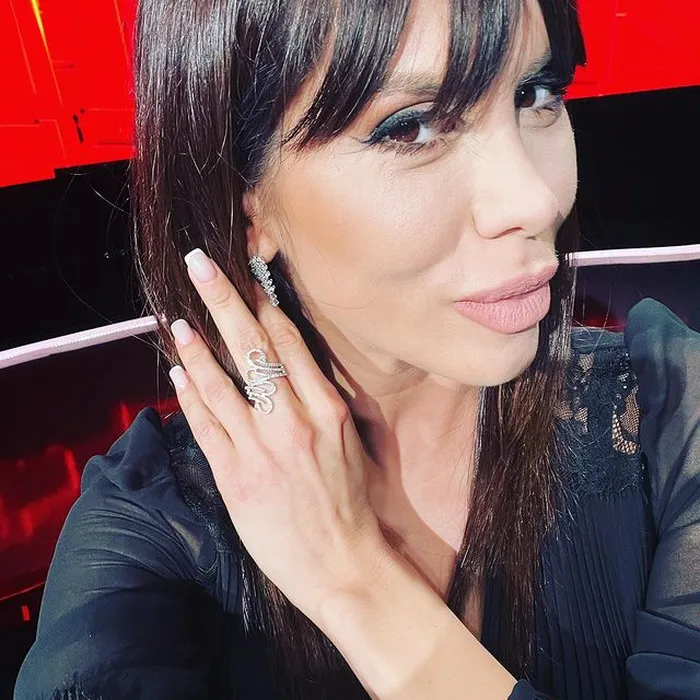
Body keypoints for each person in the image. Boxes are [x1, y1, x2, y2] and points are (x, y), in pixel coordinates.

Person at [14, 0, 700, 697]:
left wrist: (353, 579)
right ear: (247, 203)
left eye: (535, 94)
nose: (535, 199)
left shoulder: (670, 410)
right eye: (412, 127)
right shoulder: (150, 527)